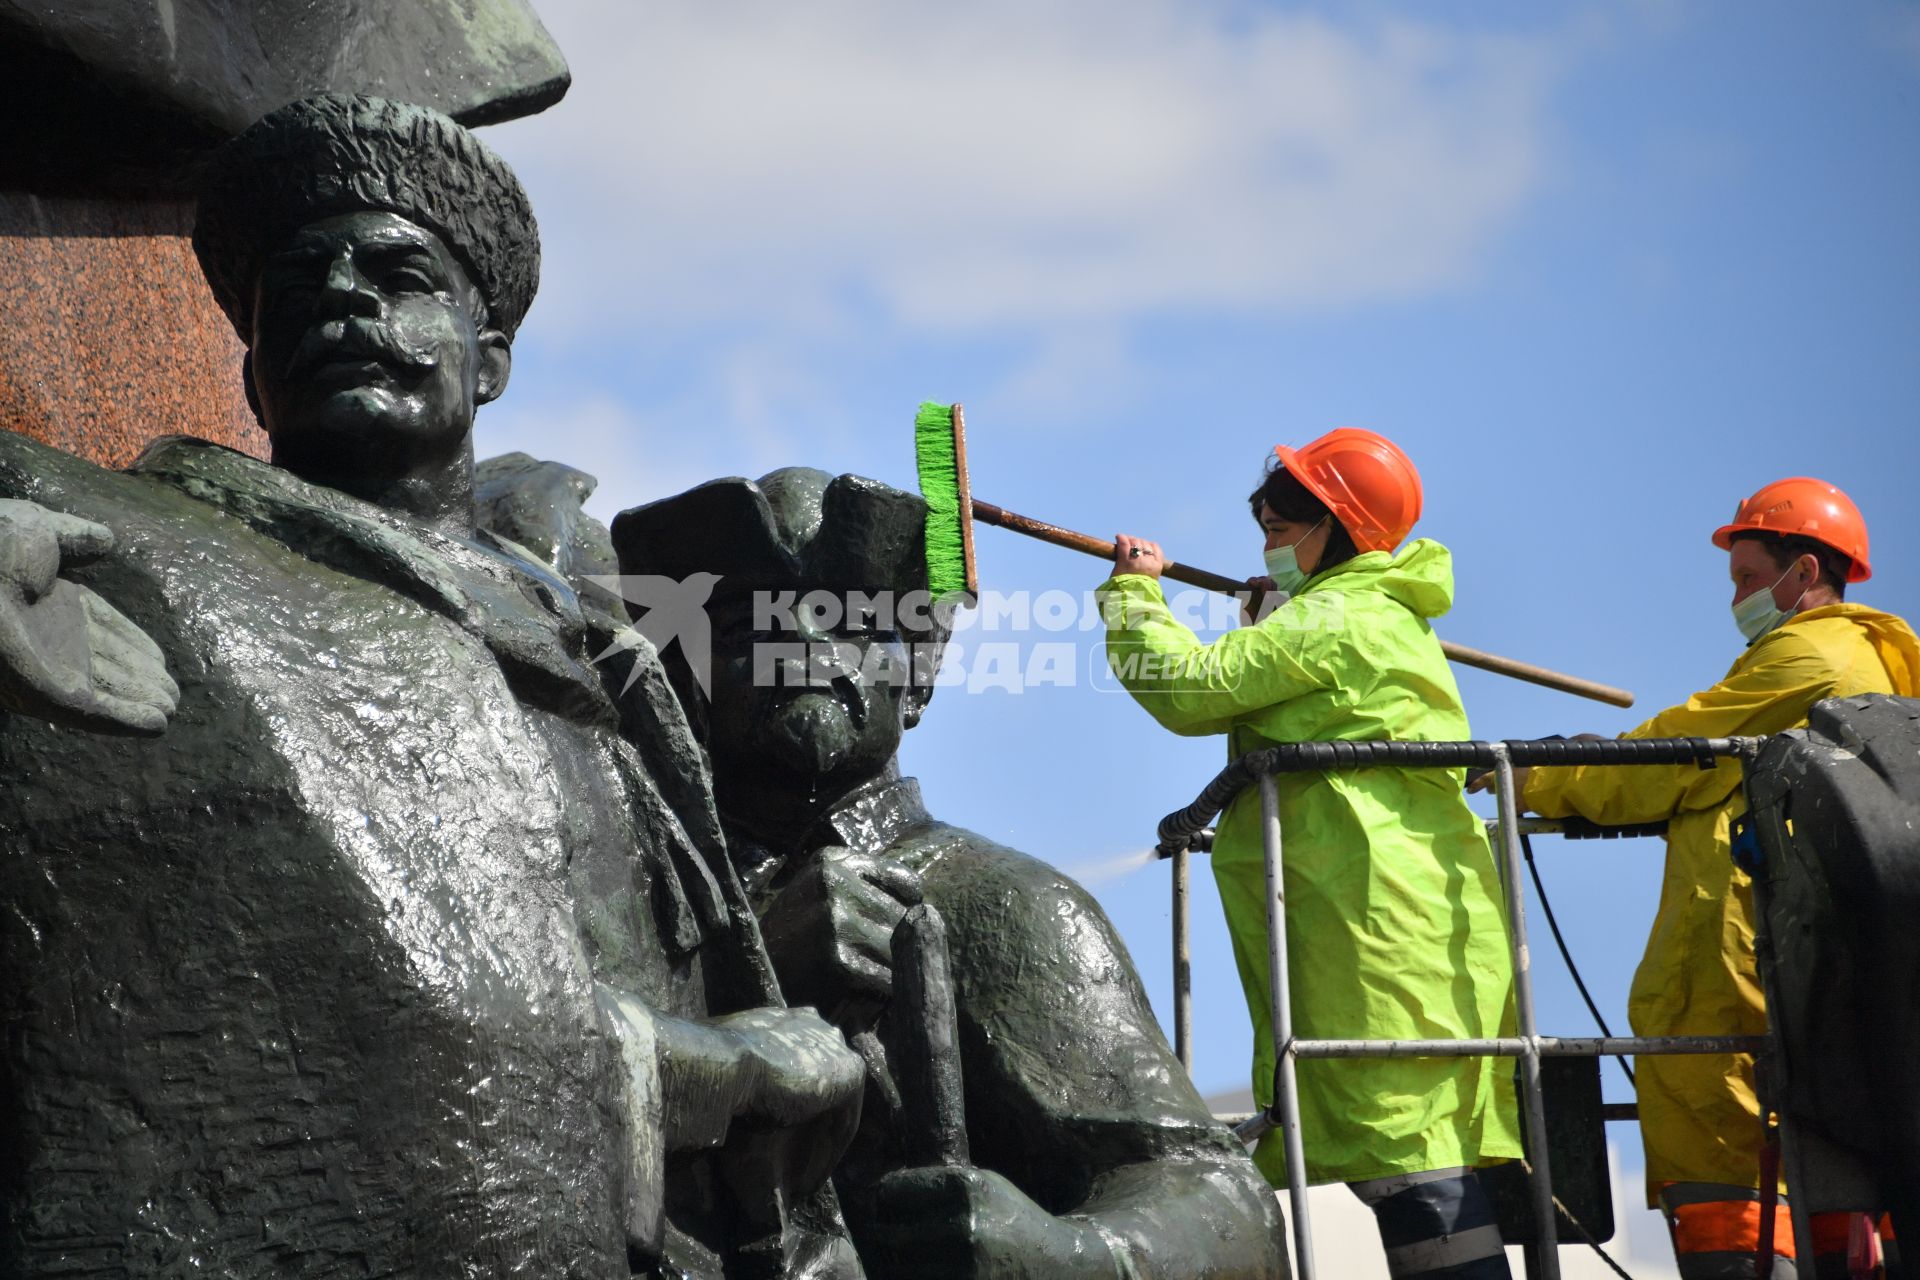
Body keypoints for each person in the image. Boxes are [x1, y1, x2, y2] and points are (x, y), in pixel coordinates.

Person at [0, 95, 862, 1278]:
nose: (343, 299)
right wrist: (712, 1072)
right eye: (294, 289)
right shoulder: (147, 566)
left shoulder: (594, 635)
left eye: (398, 274)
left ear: (489, 356)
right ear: (251, 379)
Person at [612, 467, 1288, 1280]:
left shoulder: (1008, 904)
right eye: (753, 632)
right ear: (685, 680)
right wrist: (754, 961)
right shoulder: (626, 902)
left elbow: (1226, 1206)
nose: (807, 654)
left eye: (856, 628)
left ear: (918, 673)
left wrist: (1062, 1253)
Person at [1101, 427, 1522, 1280]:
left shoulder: (1341, 619)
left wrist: (1135, 598)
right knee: (1408, 1146)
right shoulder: (1360, 617)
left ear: (1341, 525)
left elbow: (1189, 690)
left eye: (1288, 511)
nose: (1267, 522)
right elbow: (1288, 688)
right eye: (1265, 508)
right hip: (1386, 917)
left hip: (1369, 929)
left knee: (1407, 1155)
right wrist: (1275, 616)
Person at [1486, 477, 1919, 1280]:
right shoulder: (1872, 665)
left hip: (1737, 957)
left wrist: (1532, 772)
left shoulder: (1811, 655)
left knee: (1713, 1127)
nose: (1740, 597)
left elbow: (1671, 755)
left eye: (1750, 578)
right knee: (1821, 1162)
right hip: (1815, 961)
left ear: (1807, 571)